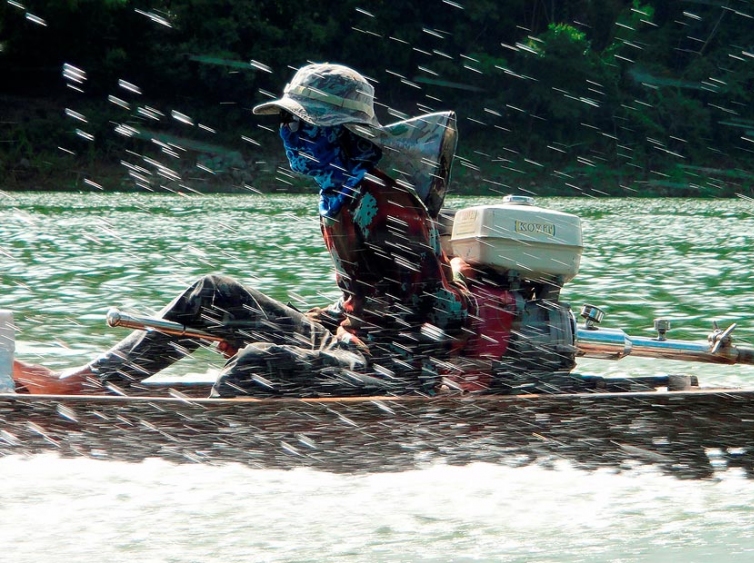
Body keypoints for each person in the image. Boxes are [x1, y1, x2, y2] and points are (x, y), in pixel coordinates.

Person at [13, 63, 472, 397]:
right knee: (214, 294)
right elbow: (366, 299)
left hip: (394, 372)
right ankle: (87, 384)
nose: (287, 135)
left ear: (341, 134)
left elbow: (437, 310)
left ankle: (199, 440)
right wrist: (311, 323)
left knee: (255, 364)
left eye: (301, 124)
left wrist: (406, 376)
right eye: (286, 123)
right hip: (352, 345)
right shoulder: (343, 195)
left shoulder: (387, 205)